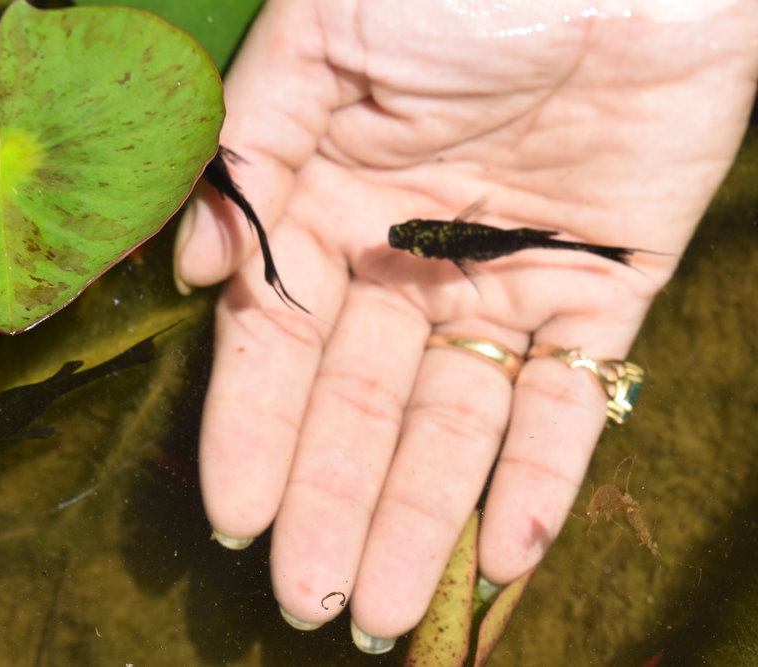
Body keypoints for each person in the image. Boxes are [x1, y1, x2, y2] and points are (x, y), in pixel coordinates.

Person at [173, 0, 758, 654]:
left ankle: (598, 252)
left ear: (428, 248)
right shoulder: (442, 245)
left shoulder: (453, 249)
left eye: (408, 241)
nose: (402, 243)